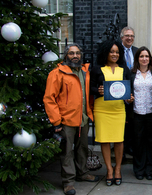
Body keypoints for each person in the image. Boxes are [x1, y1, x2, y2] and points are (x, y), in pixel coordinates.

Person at [43, 43, 99, 195]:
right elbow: (49, 98)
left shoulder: (85, 72)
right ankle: (68, 182)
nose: (75, 56)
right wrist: (56, 121)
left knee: (82, 149)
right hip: (66, 120)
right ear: (66, 56)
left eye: (78, 53)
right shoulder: (57, 73)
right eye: (71, 53)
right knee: (67, 152)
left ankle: (82, 173)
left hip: (83, 119)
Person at [90, 39, 134, 186]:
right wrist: (98, 90)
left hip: (119, 109)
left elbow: (129, 91)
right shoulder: (97, 69)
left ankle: (118, 169)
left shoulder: (124, 69)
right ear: (106, 52)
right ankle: (109, 169)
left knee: (119, 140)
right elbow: (91, 89)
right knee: (104, 140)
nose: (114, 54)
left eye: (117, 52)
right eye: (111, 51)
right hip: (102, 109)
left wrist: (130, 98)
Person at [130, 46, 152, 180]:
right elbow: (128, 92)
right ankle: (139, 169)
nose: (144, 59)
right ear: (137, 58)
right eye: (141, 56)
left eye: (146, 56)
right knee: (138, 142)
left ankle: (150, 169)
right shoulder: (131, 74)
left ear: (150, 58)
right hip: (137, 113)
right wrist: (128, 99)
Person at [120, 26, 138, 157]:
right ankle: (122, 145)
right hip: (120, 87)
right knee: (122, 119)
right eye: (127, 36)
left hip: (135, 88)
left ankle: (130, 145)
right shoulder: (116, 51)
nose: (130, 38)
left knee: (132, 119)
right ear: (122, 37)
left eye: (132, 36)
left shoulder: (137, 51)